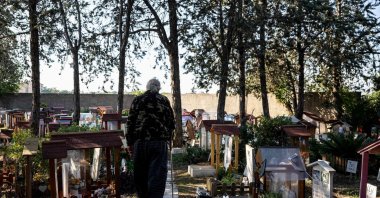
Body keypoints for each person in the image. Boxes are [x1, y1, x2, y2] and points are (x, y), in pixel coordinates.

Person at [126, 78, 175, 198]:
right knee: (157, 178)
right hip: (159, 143)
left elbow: (130, 122)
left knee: (141, 177)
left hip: (141, 143)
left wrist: (129, 143)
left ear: (147, 87)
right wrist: (168, 137)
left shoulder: (138, 100)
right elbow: (171, 123)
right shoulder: (164, 100)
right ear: (158, 88)